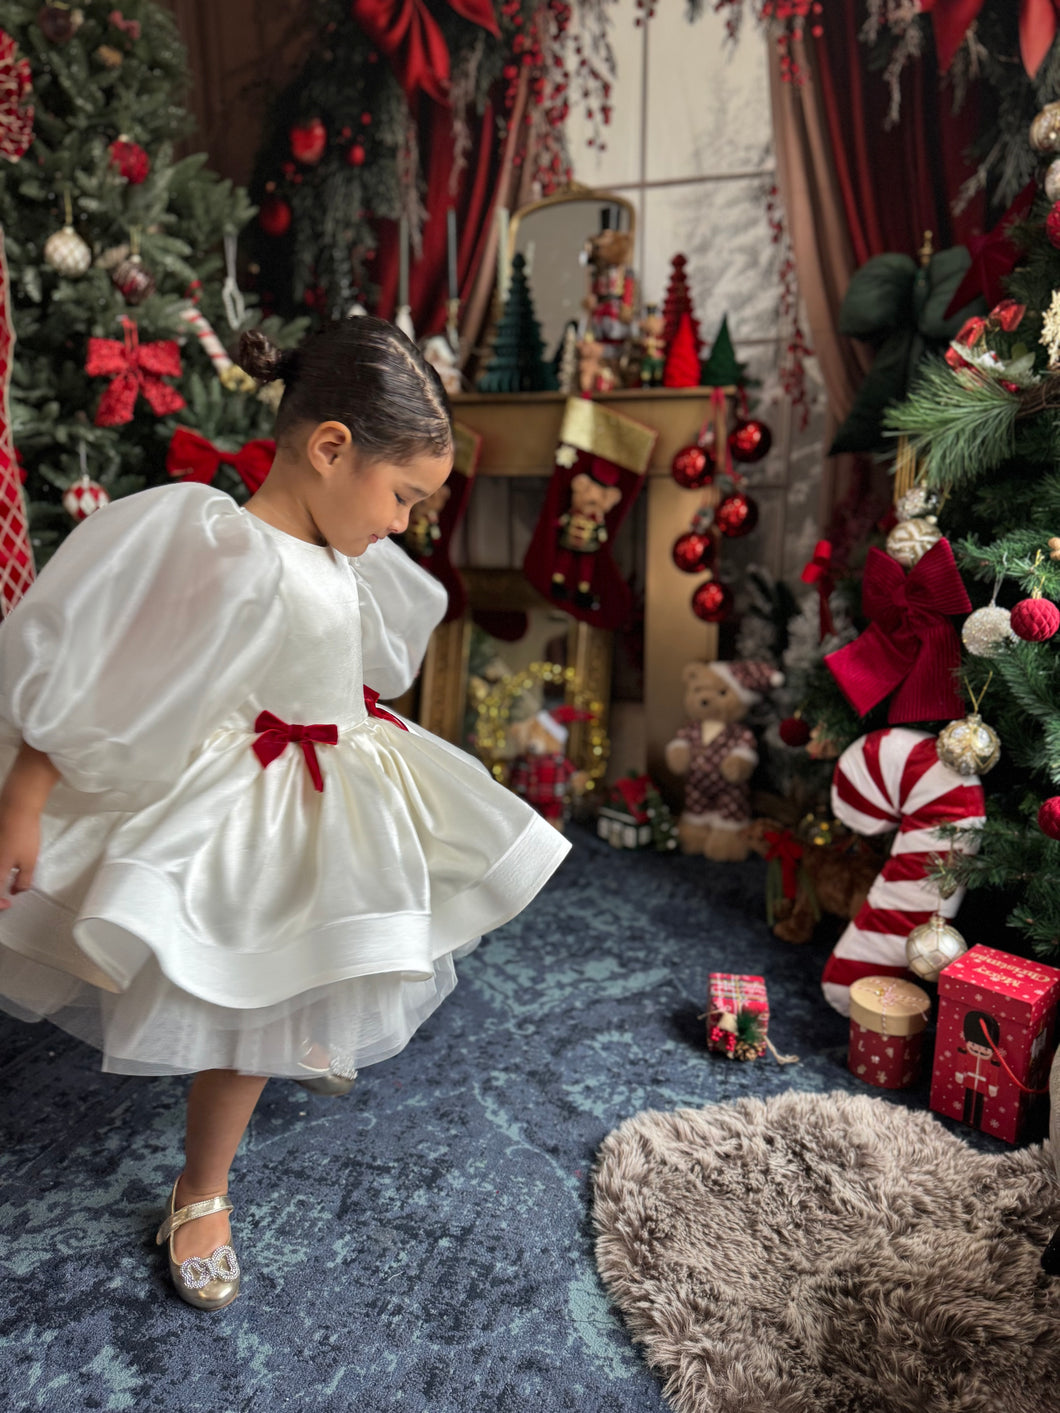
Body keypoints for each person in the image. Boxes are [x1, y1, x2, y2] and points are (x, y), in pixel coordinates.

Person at [0, 317, 570, 1312]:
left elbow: (344, 653)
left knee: (342, 935)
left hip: (334, 778)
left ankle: (308, 1030)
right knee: (249, 1012)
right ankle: (202, 1188)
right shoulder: (229, 548)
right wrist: (27, 794)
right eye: (403, 496)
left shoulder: (339, 544)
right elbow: (115, 674)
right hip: (254, 801)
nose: (403, 524)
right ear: (331, 449)